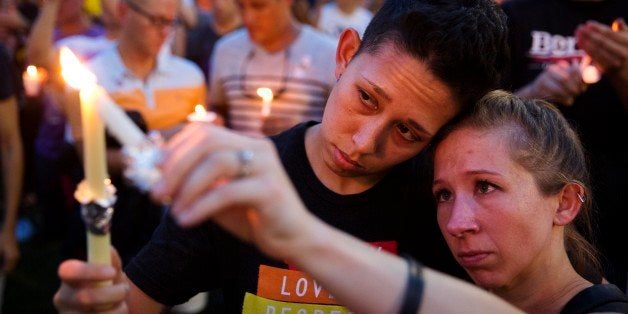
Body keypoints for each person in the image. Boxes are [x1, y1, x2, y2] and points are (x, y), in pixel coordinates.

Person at [53, 0, 509, 312]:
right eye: (367, 98)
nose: (363, 143)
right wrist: (101, 301)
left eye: (408, 131)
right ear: (346, 54)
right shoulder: (237, 185)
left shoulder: (445, 207)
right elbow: (139, 299)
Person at [501, 0, 628, 291]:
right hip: (530, 216)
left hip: (616, 218)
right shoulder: (514, 16)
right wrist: (535, 96)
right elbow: (479, 120)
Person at [208, 0, 337, 136]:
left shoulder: (328, 53)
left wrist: (301, 133)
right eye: (241, 6)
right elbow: (218, 109)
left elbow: (339, 130)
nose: (248, 17)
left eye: (259, 6)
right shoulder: (226, 50)